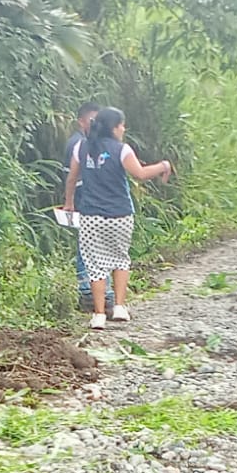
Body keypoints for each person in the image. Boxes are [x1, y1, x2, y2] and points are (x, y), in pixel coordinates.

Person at [64, 106, 171, 330]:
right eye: (122, 125)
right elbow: (140, 174)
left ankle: (99, 315)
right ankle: (120, 307)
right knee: (120, 259)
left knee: (95, 265)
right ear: (113, 127)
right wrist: (163, 166)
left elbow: (72, 178)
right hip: (120, 214)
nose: (123, 129)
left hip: (91, 216)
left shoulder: (81, 147)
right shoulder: (122, 150)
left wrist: (69, 203)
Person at [63, 102, 106, 315]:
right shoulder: (78, 143)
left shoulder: (91, 142)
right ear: (81, 121)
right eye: (92, 120)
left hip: (89, 198)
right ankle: (86, 291)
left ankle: (93, 292)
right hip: (83, 197)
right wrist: (70, 202)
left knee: (92, 243)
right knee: (86, 244)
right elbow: (71, 177)